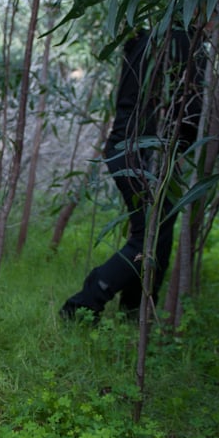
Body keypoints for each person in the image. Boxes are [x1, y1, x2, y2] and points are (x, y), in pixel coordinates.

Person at [60, 27, 204, 322]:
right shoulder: (184, 42)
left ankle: (135, 312)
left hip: (130, 149)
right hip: (144, 153)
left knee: (159, 235)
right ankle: (85, 302)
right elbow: (191, 107)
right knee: (149, 237)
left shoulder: (149, 37)